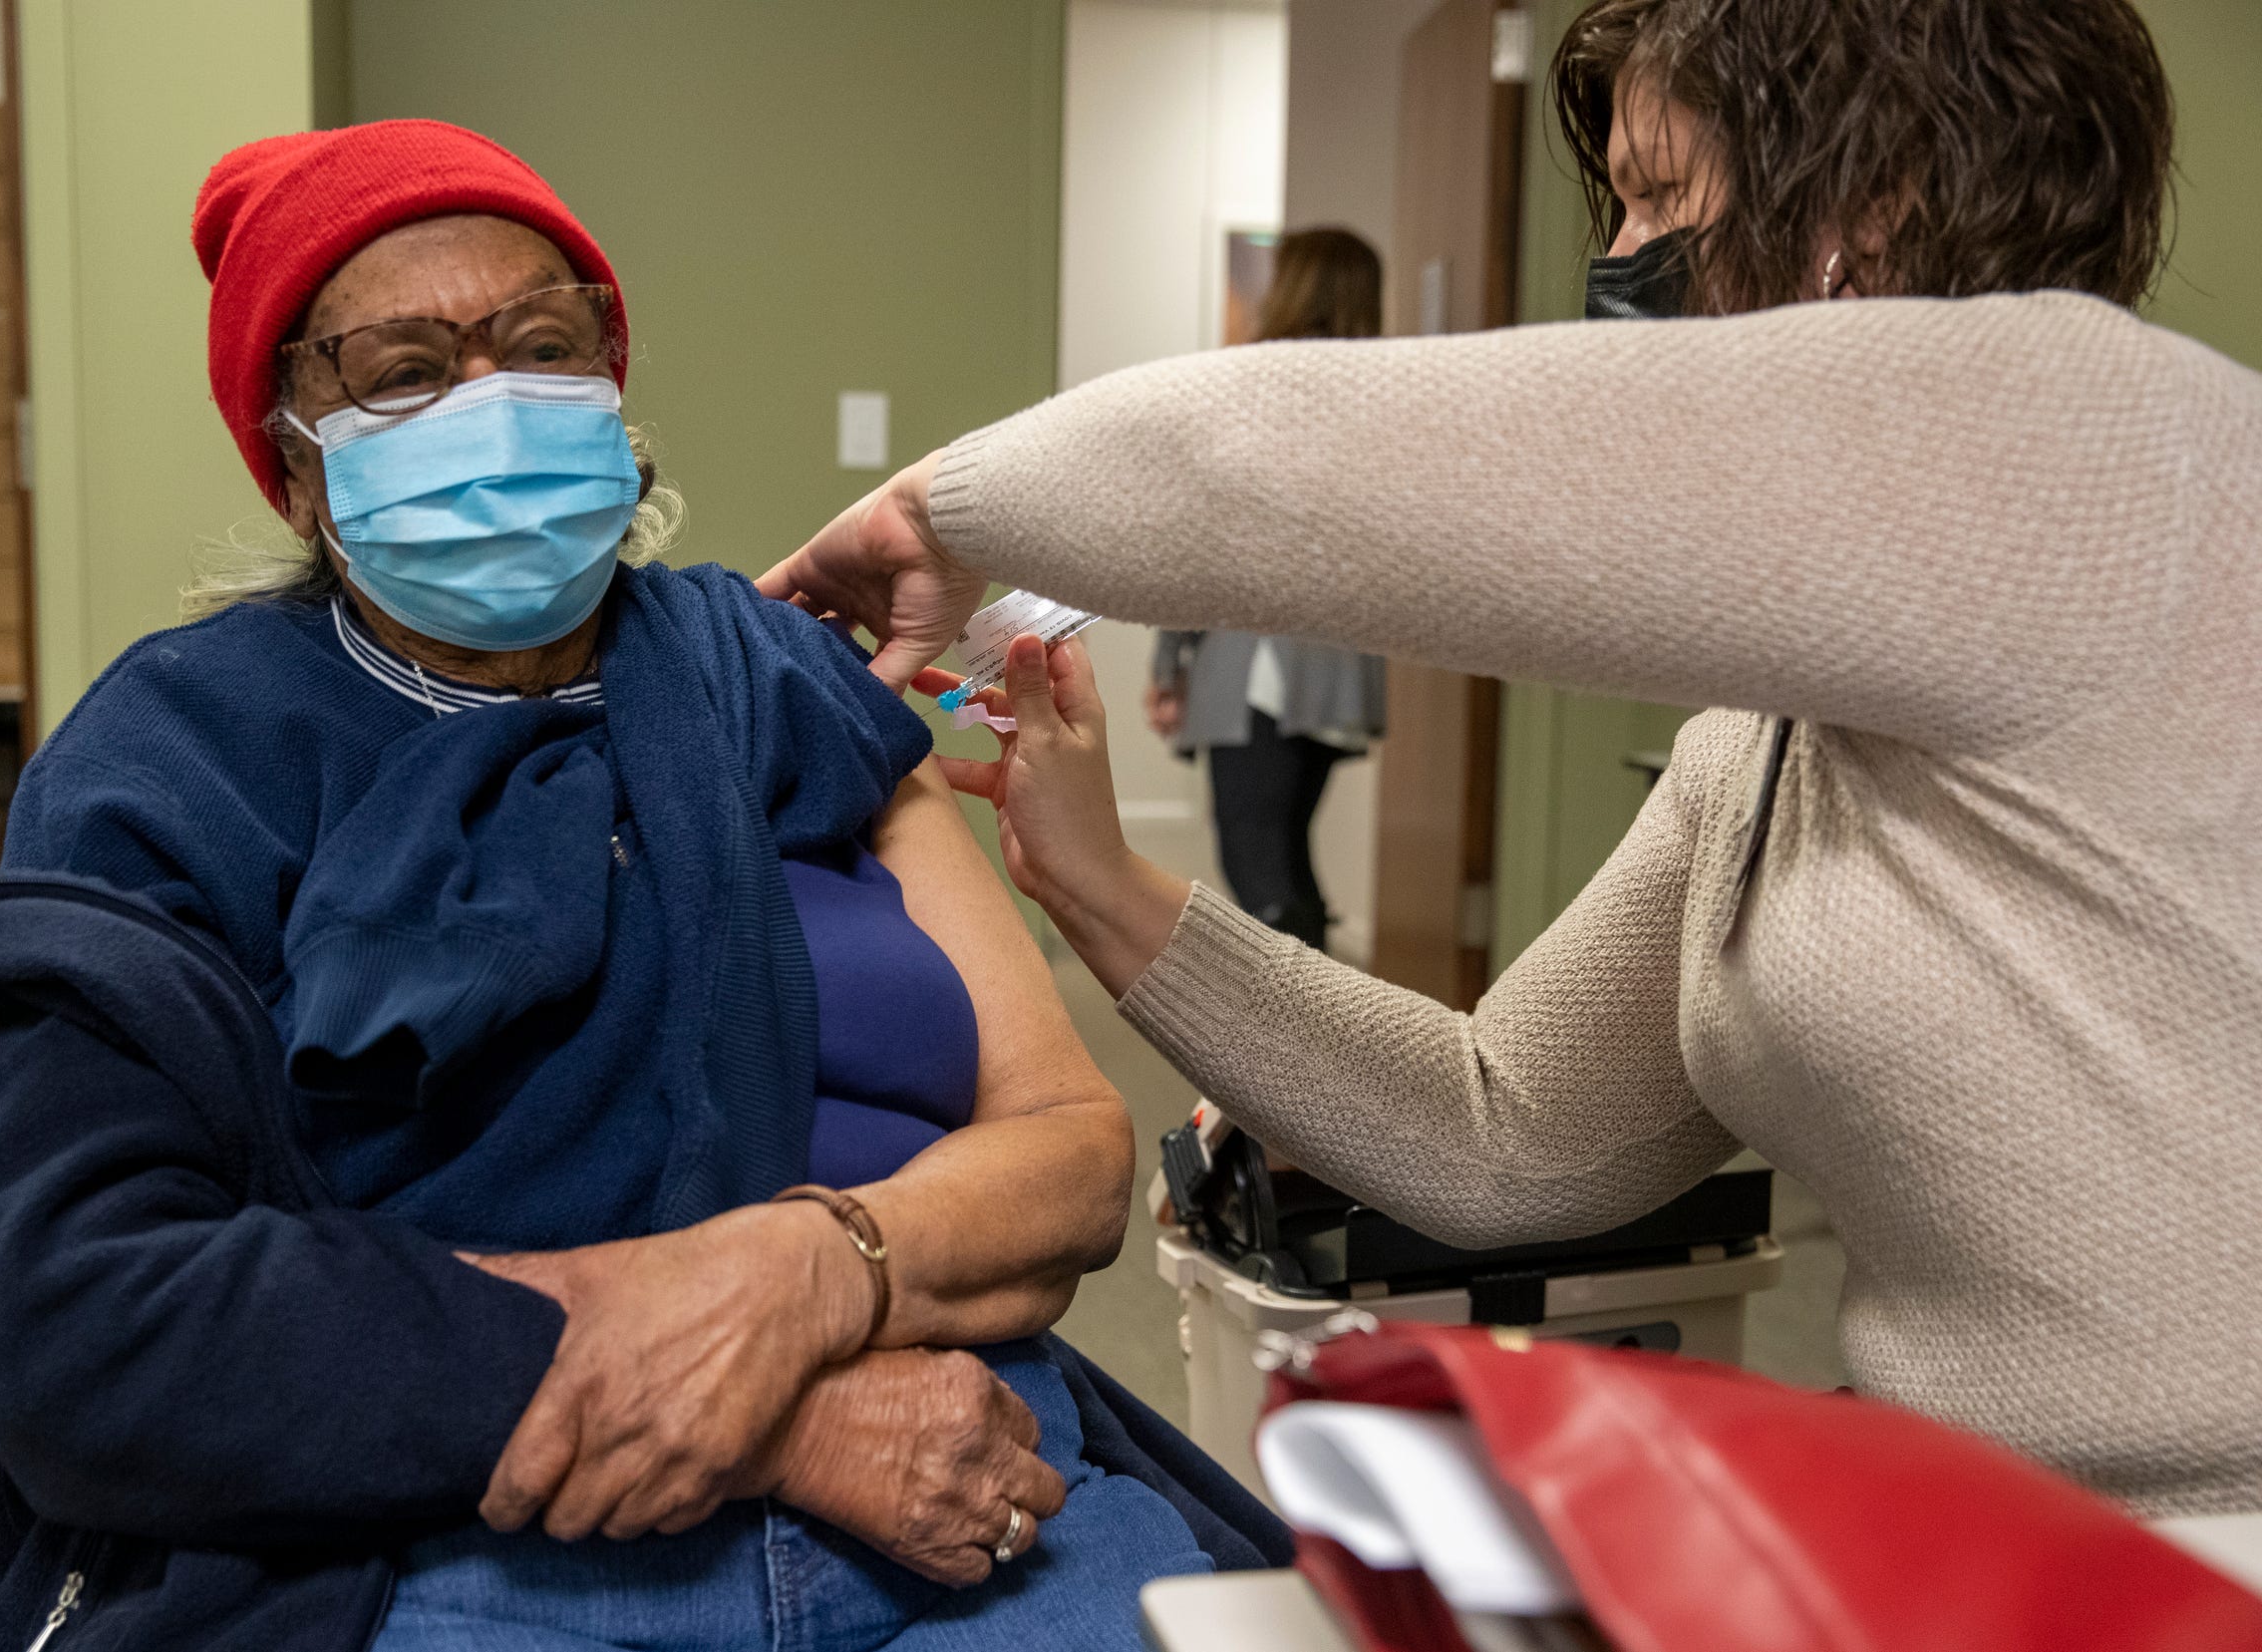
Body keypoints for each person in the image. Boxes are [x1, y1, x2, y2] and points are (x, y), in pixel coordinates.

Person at [766, 0, 2262, 1517]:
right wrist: (1098, 882)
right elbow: (1511, 1132)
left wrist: (940, 517)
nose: (1617, 255)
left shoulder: (2130, 454)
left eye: (1666, 196)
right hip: (1966, 1513)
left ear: (1872, 223)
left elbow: (1270, 475)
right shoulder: (1766, 739)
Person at [0, 121, 1277, 1652]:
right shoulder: (176, 762)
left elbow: (1072, 1153)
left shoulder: (773, 681)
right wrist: (769, 1421)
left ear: (611, 386)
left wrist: (802, 1274)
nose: (489, 403)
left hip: (978, 1480)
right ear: (293, 470)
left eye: (541, 344)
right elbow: (96, 1316)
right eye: (401, 372)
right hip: (467, 1549)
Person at [1148, 228, 1387, 950]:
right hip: (1338, 671)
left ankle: (1304, 1050)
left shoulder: (1256, 389)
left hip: (1260, 668)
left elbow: (1207, 537)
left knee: (1258, 870)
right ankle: (1326, 1041)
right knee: (1286, 858)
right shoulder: (1384, 397)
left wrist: (1170, 665)